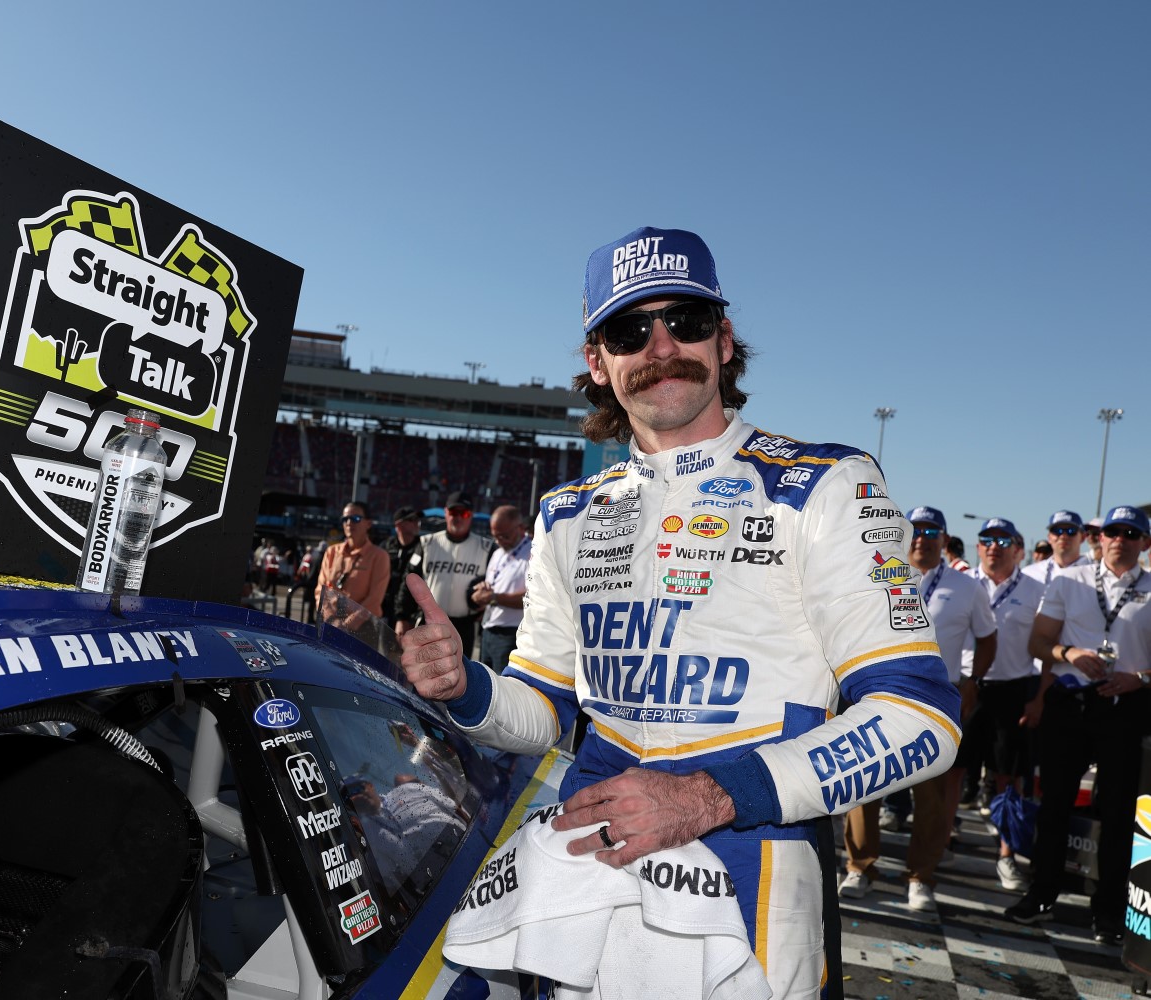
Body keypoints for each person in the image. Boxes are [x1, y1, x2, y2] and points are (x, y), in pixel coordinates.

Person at [397, 225, 960, 997]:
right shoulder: (568, 512)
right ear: (599, 364)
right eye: (631, 330)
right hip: (587, 862)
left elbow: (921, 720)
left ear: (724, 341)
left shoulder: (827, 484)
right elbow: (543, 709)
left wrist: (706, 796)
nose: (662, 346)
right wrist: (467, 688)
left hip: (755, 867)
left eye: (686, 321)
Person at [1007, 505, 1151, 944]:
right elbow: (1039, 641)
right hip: (1070, 703)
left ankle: (1108, 910)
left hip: (1127, 705)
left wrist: (1139, 678)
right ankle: (1041, 893)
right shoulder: (1070, 581)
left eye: (1131, 532)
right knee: (1054, 806)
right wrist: (1069, 654)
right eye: (1112, 531)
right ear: (1099, 537)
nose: (1119, 539)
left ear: (1144, 542)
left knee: (1118, 812)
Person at [841, 507, 995, 912]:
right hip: (878, 694)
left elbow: (988, 638)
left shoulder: (967, 586)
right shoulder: (875, 572)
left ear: (944, 539)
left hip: (934, 701)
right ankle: (859, 867)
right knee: (864, 785)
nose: (922, 537)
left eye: (932, 531)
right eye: (916, 530)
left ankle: (921, 875)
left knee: (931, 794)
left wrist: (973, 681)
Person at [958, 519, 1043, 892]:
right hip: (966, 688)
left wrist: (1037, 696)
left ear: (1016, 548)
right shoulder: (962, 584)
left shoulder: (1037, 589)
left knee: (1008, 778)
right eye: (986, 540)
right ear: (978, 548)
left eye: (1002, 540)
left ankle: (1007, 856)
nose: (994, 546)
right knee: (951, 771)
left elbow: (1045, 647)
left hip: (1012, 690)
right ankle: (940, 841)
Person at [396, 491, 494, 657]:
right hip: (429, 622)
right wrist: (402, 617)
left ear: (471, 516)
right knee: (423, 673)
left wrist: (487, 607)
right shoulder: (427, 543)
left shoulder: (486, 547)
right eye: (453, 512)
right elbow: (409, 581)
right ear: (446, 513)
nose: (458, 517)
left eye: (463, 513)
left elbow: (498, 584)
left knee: (461, 676)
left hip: (464, 625)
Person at [471, 505, 531, 672]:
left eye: (504, 535)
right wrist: (483, 590)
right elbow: (494, 585)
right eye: (495, 536)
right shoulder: (498, 553)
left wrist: (493, 597)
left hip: (511, 634)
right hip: (488, 630)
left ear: (520, 528)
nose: (499, 541)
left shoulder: (533, 553)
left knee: (504, 691)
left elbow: (532, 598)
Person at [316, 502, 390, 621]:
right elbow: (321, 590)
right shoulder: (332, 552)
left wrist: (347, 625)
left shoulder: (379, 556)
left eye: (356, 518)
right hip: (330, 624)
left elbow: (374, 599)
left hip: (363, 627)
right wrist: (330, 618)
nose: (349, 523)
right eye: (345, 519)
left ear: (368, 523)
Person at [1022, 510, 1090, 588]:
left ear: (1083, 537)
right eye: (1057, 531)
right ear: (1049, 538)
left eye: (1071, 531)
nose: (1063, 536)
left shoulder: (1096, 574)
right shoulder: (1029, 574)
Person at [381, 506, 424, 625]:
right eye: (412, 520)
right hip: (384, 610)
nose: (417, 523)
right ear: (399, 525)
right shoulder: (387, 546)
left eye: (418, 520)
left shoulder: (422, 548)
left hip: (409, 614)